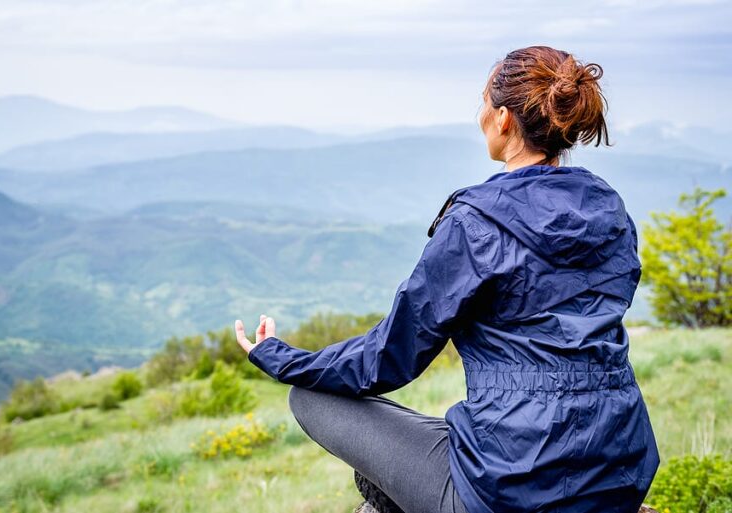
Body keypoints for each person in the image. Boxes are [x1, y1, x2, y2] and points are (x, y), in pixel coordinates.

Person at [233, 45, 660, 513]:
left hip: (514, 491)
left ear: (501, 119)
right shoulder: (607, 208)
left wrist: (277, 357)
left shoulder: (477, 224)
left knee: (310, 400)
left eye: (483, 102)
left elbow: (387, 358)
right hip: (622, 470)